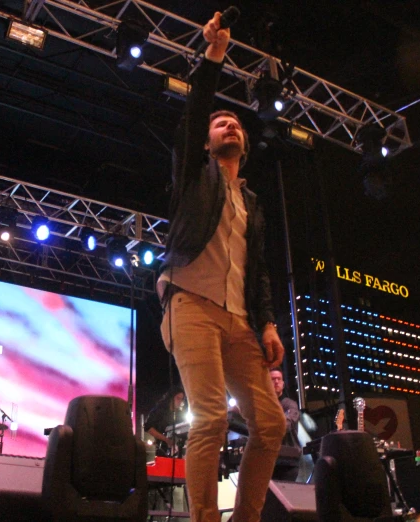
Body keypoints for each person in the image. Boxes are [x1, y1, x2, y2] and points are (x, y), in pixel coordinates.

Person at [158, 12, 287, 522]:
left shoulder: (252, 204)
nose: (227, 123)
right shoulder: (196, 176)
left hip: (238, 321)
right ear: (208, 144)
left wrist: (269, 322)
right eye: (220, 122)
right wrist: (212, 57)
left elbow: (258, 273)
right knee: (210, 416)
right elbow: (193, 115)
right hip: (189, 303)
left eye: (234, 123)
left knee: (272, 425)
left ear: (244, 148)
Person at [270, 367, 300, 481]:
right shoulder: (264, 405)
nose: (276, 381)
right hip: (269, 459)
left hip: (288, 461)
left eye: (279, 379)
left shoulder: (290, 404)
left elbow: (287, 425)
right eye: (273, 379)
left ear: (283, 383)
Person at [144, 386, 187, 456]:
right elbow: (148, 427)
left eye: (182, 399)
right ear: (171, 397)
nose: (180, 401)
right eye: (178, 398)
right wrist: (166, 439)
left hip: (176, 450)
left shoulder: (180, 414)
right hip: (159, 449)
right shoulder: (159, 410)